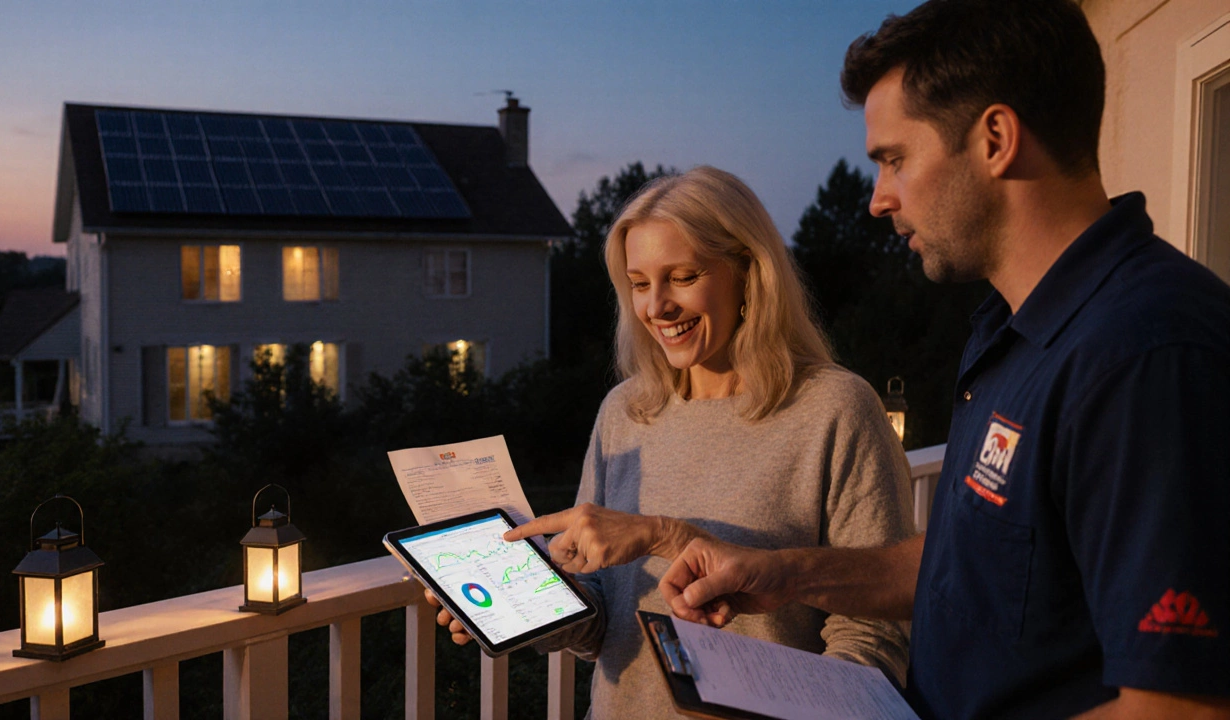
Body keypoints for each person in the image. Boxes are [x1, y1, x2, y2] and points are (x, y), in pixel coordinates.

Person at [660, 1, 1230, 719]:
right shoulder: (1014, 328)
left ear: (995, 139)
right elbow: (974, 558)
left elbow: (1181, 708)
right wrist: (786, 573)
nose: (877, 199)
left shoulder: (1147, 355)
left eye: (895, 159)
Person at [425, 166, 915, 718]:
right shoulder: (625, 412)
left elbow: (876, 634)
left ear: (748, 274)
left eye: (681, 277)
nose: (656, 307)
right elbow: (604, 624)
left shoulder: (836, 409)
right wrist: (525, 608)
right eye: (639, 284)